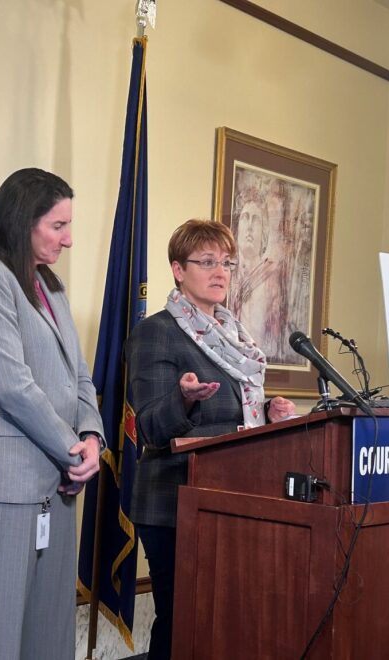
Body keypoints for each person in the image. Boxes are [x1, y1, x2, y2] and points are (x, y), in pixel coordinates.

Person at [0, 168, 105, 660]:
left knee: (50, 633)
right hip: (4, 483)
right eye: (58, 225)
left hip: (59, 483)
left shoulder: (50, 286)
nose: (69, 238)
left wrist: (92, 437)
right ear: (23, 220)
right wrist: (72, 451)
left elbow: (80, 375)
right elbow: (13, 386)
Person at [126, 219, 296, 660]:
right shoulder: (156, 332)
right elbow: (149, 427)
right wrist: (182, 400)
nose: (220, 272)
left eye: (226, 263)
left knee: (229, 616)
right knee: (184, 618)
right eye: (206, 262)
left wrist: (267, 415)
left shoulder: (235, 336)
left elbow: (239, 417)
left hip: (235, 496)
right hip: (174, 501)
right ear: (178, 270)